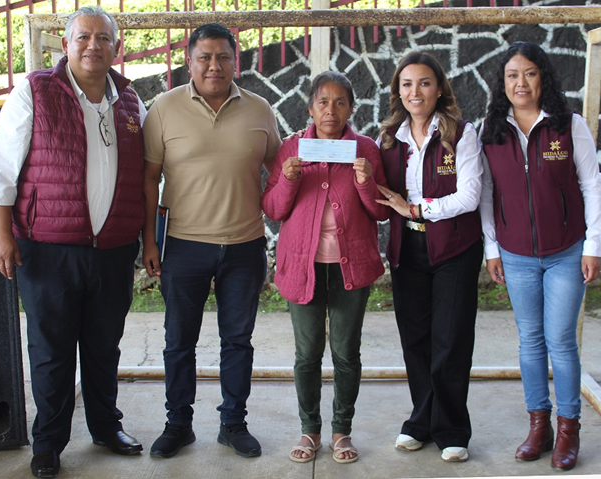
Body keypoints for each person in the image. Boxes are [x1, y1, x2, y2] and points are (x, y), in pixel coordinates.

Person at [0, 6, 146, 478]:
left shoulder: (131, 101)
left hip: (113, 250)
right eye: (83, 37)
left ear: (117, 47)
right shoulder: (35, 91)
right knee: (51, 351)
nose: (93, 45)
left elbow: (148, 173)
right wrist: (0, 234)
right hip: (48, 248)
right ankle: (48, 444)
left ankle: (106, 427)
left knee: (103, 346)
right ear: (67, 44)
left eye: (103, 38)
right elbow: (1, 166)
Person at [142, 23, 282, 459]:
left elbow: (280, 171)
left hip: (245, 244)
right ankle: (177, 424)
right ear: (189, 61)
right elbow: (148, 179)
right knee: (178, 341)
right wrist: (149, 242)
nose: (214, 66)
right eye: (204, 57)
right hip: (182, 244)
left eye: (223, 57)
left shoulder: (259, 109)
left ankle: (233, 424)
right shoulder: (163, 108)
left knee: (237, 341)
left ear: (235, 62)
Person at [479, 41, 601, 471]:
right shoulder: (491, 130)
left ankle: (569, 429)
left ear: (543, 78)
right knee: (530, 340)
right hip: (515, 255)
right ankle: (539, 426)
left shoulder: (568, 125)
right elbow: (487, 194)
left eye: (530, 73)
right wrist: (492, 248)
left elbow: (591, 185)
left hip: (566, 253)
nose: (521, 83)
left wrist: (593, 246)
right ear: (502, 82)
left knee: (561, 341)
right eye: (512, 75)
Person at [261, 71, 390, 464]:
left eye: (339, 102)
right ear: (310, 108)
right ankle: (310, 429)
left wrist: (366, 181)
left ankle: (341, 431)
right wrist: (287, 180)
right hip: (304, 267)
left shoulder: (365, 149)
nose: (330, 110)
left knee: (346, 352)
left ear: (351, 108)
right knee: (307, 354)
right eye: (323, 102)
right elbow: (273, 209)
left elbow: (381, 212)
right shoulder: (292, 148)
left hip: (351, 268)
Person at [374, 51, 483, 463]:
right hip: (408, 249)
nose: (414, 91)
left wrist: (417, 209)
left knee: (450, 340)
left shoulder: (461, 133)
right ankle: (422, 420)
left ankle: (452, 429)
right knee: (415, 340)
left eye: (424, 83)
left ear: (439, 89)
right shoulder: (389, 138)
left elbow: (470, 196)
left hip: (454, 248)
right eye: (406, 84)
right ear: (397, 91)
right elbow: (378, 193)